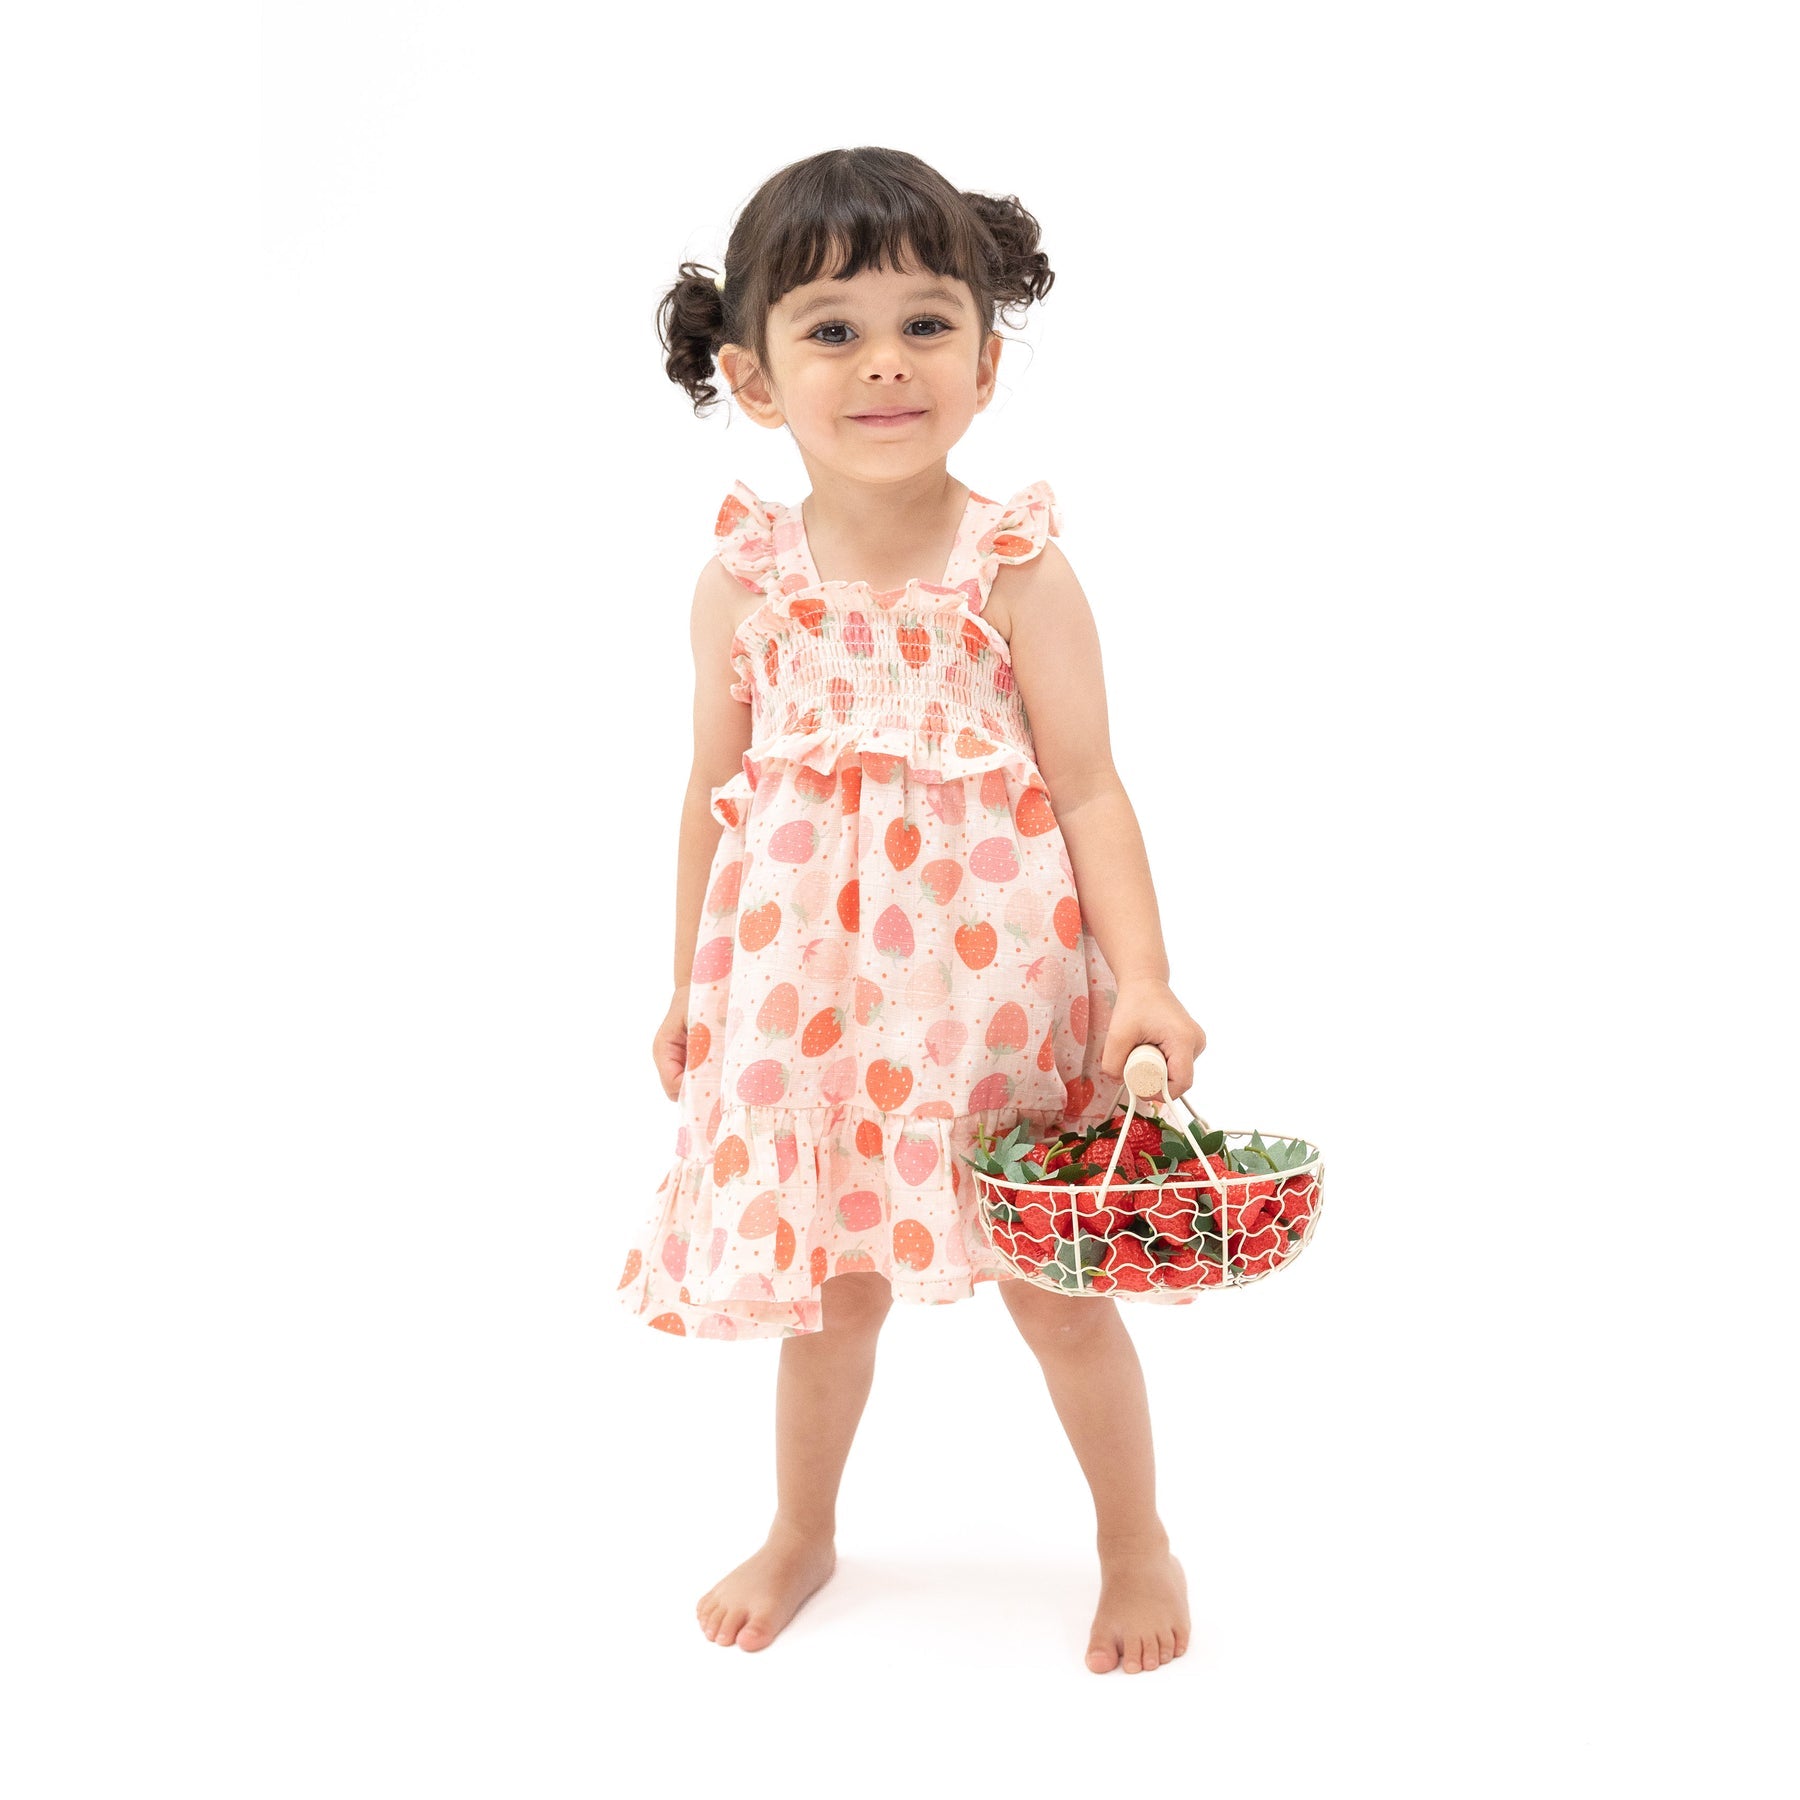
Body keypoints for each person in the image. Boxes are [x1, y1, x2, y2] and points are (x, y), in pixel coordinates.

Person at [617, 147, 1208, 1675]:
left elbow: (1090, 789)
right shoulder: (744, 584)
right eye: (834, 330)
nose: (885, 362)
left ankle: (1135, 1539)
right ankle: (803, 1529)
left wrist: (1144, 977)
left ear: (986, 364)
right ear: (755, 380)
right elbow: (712, 792)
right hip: (810, 1007)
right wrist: (687, 988)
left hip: (994, 1005)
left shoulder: (1015, 570)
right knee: (830, 1298)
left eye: (926, 325)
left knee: (1058, 1294)